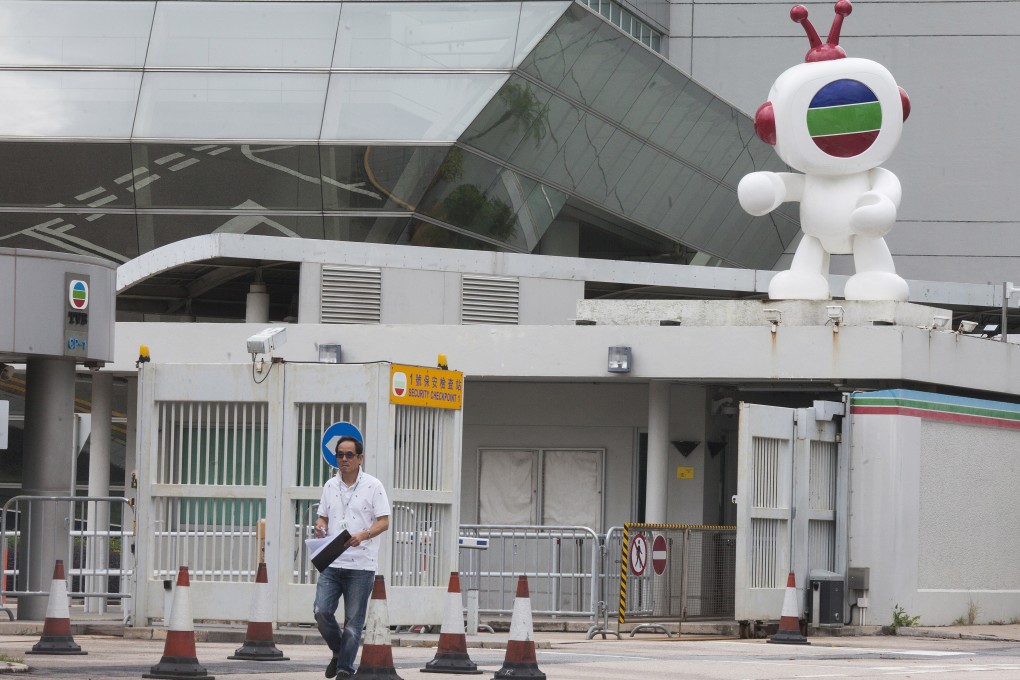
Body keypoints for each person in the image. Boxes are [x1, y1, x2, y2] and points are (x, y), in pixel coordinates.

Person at [313, 435, 390, 678]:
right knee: (321, 612)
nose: (343, 460)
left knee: (353, 625)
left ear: (360, 458)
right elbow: (323, 516)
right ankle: (339, 653)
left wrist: (364, 534)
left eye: (349, 455)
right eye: (340, 455)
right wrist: (320, 526)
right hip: (332, 560)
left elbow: (384, 522)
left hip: (361, 564)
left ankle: (345, 669)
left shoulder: (373, 485)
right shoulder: (329, 485)